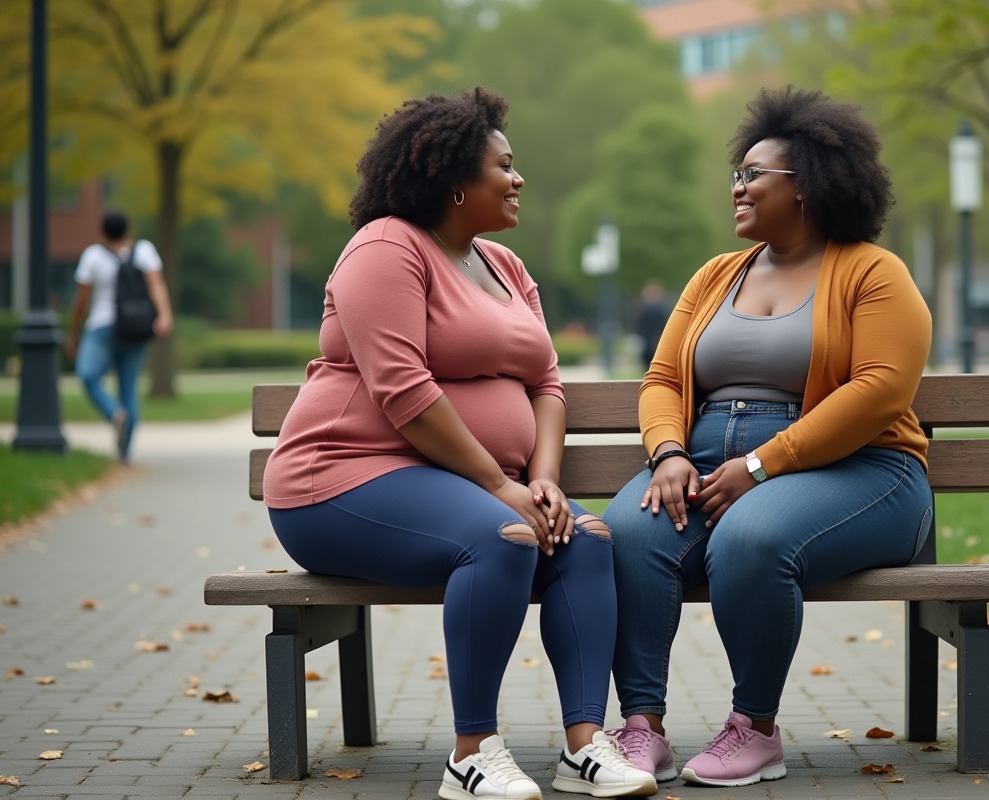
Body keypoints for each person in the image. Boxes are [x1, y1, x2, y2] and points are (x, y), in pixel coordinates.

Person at [262, 88, 656, 800]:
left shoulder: (503, 267)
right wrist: (501, 488)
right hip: (343, 480)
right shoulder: (386, 247)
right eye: (503, 166)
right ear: (453, 181)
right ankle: (472, 752)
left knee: (586, 540)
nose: (518, 178)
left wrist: (543, 480)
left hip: (464, 488)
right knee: (502, 535)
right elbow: (403, 390)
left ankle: (584, 747)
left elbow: (549, 383)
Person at [601, 87, 934, 788]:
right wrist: (666, 454)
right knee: (629, 533)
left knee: (751, 540)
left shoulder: (875, 274)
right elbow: (661, 379)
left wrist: (760, 464)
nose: (739, 188)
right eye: (738, 174)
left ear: (808, 186)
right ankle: (641, 728)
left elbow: (879, 393)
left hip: (860, 471)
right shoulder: (716, 276)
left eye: (755, 175)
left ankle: (754, 727)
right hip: (705, 463)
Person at [65, 212, 174, 462]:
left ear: (102, 232)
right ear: (128, 230)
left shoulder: (92, 255)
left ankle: (114, 413)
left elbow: (81, 299)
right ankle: (124, 453)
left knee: (88, 376)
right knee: (128, 388)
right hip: (135, 328)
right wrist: (165, 315)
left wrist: (73, 332)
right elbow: (157, 284)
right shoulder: (144, 250)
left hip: (101, 327)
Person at [633, 281, 669, 372]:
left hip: (649, 339)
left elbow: (639, 325)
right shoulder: (663, 308)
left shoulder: (643, 308)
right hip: (658, 339)